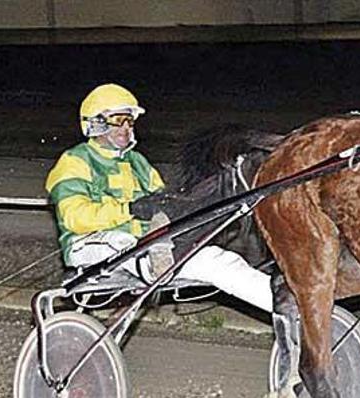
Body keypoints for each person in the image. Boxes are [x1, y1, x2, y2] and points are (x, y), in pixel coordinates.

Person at [45, 83, 272, 312]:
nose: (126, 127)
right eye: (118, 120)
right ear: (96, 123)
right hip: (89, 244)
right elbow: (74, 217)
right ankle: (154, 263)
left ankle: (291, 310)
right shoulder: (74, 161)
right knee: (120, 241)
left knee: (218, 260)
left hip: (149, 245)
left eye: (129, 121)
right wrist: (130, 209)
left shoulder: (138, 162)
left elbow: (162, 205)